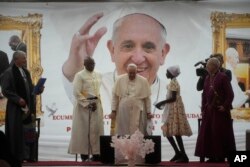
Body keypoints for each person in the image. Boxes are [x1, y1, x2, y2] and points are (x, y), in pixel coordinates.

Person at [62, 12, 170, 134]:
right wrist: (75, 69)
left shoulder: (176, 96)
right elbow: (74, 84)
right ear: (112, 50)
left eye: (148, 47)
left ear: (163, 53)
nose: (138, 58)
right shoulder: (94, 86)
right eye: (128, 46)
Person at [1, 51, 43, 163]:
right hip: (15, 109)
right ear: (16, 59)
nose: (25, 60)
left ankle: (29, 156)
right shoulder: (9, 73)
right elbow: (5, 90)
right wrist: (17, 99)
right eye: (23, 58)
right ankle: (17, 157)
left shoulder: (26, 72)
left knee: (29, 132)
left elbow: (29, 88)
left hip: (28, 109)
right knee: (17, 133)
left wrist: (38, 89)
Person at [195, 58, 236, 163]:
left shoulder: (223, 77)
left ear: (215, 66)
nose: (206, 67)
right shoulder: (207, 78)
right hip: (209, 111)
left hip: (220, 111)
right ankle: (211, 156)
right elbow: (204, 94)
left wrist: (225, 106)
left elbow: (230, 94)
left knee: (218, 133)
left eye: (208, 65)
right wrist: (203, 108)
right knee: (208, 134)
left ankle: (220, 156)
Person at [68, 57, 104, 162]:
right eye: (89, 64)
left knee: (97, 130)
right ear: (84, 65)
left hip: (96, 106)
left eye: (93, 64)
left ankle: (97, 154)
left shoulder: (98, 74)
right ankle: (84, 155)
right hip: (83, 107)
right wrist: (87, 104)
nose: (92, 66)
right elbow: (76, 92)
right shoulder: (79, 75)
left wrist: (96, 103)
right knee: (83, 131)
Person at [155, 65, 192, 163]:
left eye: (167, 72)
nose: (166, 73)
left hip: (174, 108)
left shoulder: (173, 82)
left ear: (172, 73)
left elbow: (173, 98)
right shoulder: (172, 82)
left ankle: (183, 155)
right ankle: (178, 153)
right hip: (172, 107)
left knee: (175, 132)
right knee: (168, 131)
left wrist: (161, 102)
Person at [109, 63, 152, 136]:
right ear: (127, 71)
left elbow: (147, 99)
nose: (132, 75)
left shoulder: (143, 81)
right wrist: (113, 110)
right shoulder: (120, 79)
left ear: (137, 71)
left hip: (138, 108)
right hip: (123, 109)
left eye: (133, 73)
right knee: (123, 130)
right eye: (130, 73)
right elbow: (115, 97)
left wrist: (148, 112)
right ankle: (123, 146)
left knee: (138, 131)